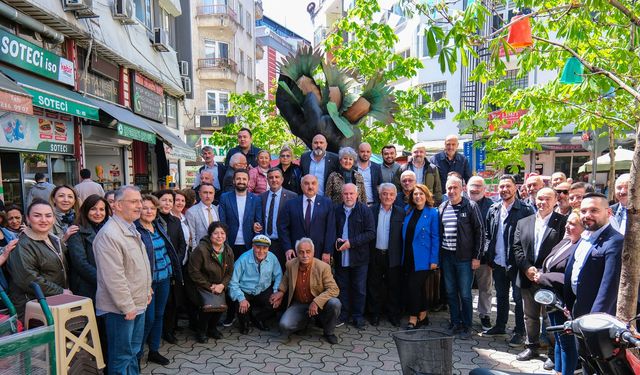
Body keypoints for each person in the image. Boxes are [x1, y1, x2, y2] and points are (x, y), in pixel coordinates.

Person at [93, 185, 152, 375]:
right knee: (121, 356)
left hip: (137, 302)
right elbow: (114, 277)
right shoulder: (109, 234)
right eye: (134, 201)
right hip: (121, 309)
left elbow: (139, 265)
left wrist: (147, 289)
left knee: (133, 352)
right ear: (118, 205)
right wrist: (127, 306)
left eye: (140, 201)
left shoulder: (130, 228)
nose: (139, 206)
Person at [512, 187, 567, 363]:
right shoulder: (524, 222)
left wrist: (543, 273)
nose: (542, 202)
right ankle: (532, 347)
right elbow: (517, 247)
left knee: (550, 318)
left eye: (547, 199)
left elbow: (564, 250)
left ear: (555, 200)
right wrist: (527, 268)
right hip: (527, 277)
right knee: (530, 315)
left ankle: (552, 353)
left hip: (550, 279)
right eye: (540, 198)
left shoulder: (562, 222)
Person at [483, 175, 535, 347]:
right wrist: (488, 253)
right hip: (498, 262)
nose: (504, 190)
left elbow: (530, 238)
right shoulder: (494, 209)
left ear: (515, 188)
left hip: (517, 263)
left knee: (519, 298)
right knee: (501, 295)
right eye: (501, 187)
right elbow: (488, 234)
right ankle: (500, 325)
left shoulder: (525, 210)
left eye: (508, 186)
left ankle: (520, 331)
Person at [135, 195, 182, 366]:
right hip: (148, 282)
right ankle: (137, 354)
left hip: (164, 279)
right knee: (147, 319)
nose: (149, 211)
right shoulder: (136, 231)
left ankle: (153, 351)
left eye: (152, 208)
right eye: (145, 208)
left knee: (159, 315)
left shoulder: (158, 225)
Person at [534, 211, 583, 375]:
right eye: (568, 222)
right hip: (552, 300)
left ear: (584, 228)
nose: (568, 226)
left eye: (573, 224)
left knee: (567, 344)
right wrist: (540, 271)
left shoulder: (581, 247)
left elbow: (568, 277)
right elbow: (549, 263)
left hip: (565, 302)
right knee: (559, 341)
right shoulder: (565, 242)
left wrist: (543, 277)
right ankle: (558, 371)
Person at [271, 238, 341, 345]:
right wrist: (281, 291)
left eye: (308, 252)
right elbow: (286, 279)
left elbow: (334, 289)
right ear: (297, 253)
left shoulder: (323, 267)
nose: (305, 255)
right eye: (301, 252)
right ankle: (305, 322)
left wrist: (317, 302)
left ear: (313, 252)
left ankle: (328, 332)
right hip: (299, 303)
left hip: (319, 305)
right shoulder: (290, 264)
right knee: (284, 326)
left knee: (335, 303)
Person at [565, 193, 623, 318]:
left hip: (596, 317)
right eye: (583, 211)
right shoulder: (586, 236)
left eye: (594, 210)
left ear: (608, 213)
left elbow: (609, 288)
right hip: (578, 310)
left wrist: (594, 320)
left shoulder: (615, 242)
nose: (587, 215)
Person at [8, 198, 69, 317]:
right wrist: (61, 291)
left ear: (54, 218)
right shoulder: (22, 245)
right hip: (34, 307)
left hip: (54, 303)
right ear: (27, 218)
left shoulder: (54, 240)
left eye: (48, 215)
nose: (43, 220)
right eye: (37, 216)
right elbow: (28, 279)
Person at [439, 176, 483, 339]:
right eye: (449, 188)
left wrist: (477, 257)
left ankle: (467, 325)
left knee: (465, 294)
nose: (451, 191)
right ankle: (455, 322)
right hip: (447, 256)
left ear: (462, 189)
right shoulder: (443, 206)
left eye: (455, 188)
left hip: (464, 258)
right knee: (450, 292)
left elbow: (480, 233)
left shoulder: (471, 206)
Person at [334, 183, 375, 329]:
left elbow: (371, 233)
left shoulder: (364, 210)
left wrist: (351, 243)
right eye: (346, 194)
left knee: (359, 288)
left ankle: (358, 316)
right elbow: (332, 230)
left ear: (357, 195)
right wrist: (336, 241)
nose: (348, 196)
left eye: (351, 193)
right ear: (341, 195)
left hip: (359, 256)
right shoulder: (337, 210)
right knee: (343, 286)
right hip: (341, 256)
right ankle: (344, 314)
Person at [188, 221, 234, 343]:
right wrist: (210, 287)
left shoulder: (228, 250)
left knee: (219, 308)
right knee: (207, 309)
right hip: (201, 286)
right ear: (210, 235)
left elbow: (230, 272)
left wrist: (222, 285)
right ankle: (201, 331)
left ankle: (212, 329)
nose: (219, 236)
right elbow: (194, 272)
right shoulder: (201, 250)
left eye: (222, 233)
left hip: (219, 285)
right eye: (216, 233)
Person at [152, 190, 187, 345]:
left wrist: (176, 262)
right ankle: (155, 334)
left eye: (170, 201)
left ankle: (169, 330)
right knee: (160, 304)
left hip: (174, 267)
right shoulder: (152, 221)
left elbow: (182, 244)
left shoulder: (175, 221)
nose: (167, 203)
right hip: (158, 269)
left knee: (173, 301)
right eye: (164, 200)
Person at [228, 235, 282, 334]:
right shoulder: (243, 259)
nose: (261, 251)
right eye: (258, 247)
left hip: (262, 289)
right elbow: (233, 282)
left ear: (268, 248)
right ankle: (244, 322)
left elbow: (279, 276)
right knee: (241, 307)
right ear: (253, 246)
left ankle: (258, 319)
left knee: (276, 304)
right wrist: (241, 298)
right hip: (245, 290)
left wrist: (275, 292)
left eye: (264, 248)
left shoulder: (272, 258)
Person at [402, 184, 439, 330]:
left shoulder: (432, 213)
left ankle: (413, 318)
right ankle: (423, 316)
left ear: (426, 195)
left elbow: (436, 237)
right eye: (415, 194)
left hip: (424, 258)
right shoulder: (408, 211)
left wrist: (434, 259)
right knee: (419, 288)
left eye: (421, 194)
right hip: (408, 256)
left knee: (413, 287)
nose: (418, 196)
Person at [367, 183, 404, 327]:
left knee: (393, 286)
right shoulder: (371, 211)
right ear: (380, 195)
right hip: (375, 253)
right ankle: (374, 314)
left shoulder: (401, 213)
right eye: (385, 194)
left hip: (393, 255)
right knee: (374, 285)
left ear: (395, 197)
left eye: (391, 194)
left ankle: (393, 314)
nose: (387, 197)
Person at [280, 175, 336, 264]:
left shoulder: (327, 203)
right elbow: (283, 228)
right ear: (301, 186)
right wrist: (288, 248)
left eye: (313, 183)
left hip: (320, 253)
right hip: (296, 252)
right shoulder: (290, 204)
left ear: (317, 185)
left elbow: (331, 229)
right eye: (306, 183)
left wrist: (327, 251)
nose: (310, 186)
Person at [67, 195, 111, 300]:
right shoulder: (77, 231)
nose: (98, 213)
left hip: (107, 284)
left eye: (102, 209)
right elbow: (80, 263)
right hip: (87, 286)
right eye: (93, 209)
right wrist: (103, 280)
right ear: (86, 210)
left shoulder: (108, 229)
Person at [466, 176, 494, 331]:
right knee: (464, 288)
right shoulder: (460, 202)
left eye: (479, 186)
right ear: (466, 187)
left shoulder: (492, 206)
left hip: (483, 256)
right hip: (463, 255)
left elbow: (492, 232)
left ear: (485, 189)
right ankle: (465, 315)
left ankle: (484, 315)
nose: (475, 189)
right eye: (472, 185)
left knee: (485, 287)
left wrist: (485, 253)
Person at [218, 169, 263, 260]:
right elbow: (222, 221)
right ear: (234, 181)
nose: (241, 181)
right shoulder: (224, 197)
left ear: (248, 181)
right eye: (238, 179)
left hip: (249, 244)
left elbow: (259, 222)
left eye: (244, 179)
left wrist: (255, 243)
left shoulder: (256, 199)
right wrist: (224, 242)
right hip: (229, 243)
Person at [260, 168, 298, 269]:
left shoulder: (292, 197)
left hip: (283, 243)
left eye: (277, 177)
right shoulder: (261, 197)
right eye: (271, 177)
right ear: (267, 180)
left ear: (282, 179)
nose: (274, 180)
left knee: (283, 272)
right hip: (265, 243)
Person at [185, 183, 219, 249]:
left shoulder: (216, 209)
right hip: (200, 251)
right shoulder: (191, 212)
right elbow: (192, 237)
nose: (208, 196)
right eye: (205, 192)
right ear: (199, 194)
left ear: (214, 195)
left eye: (211, 193)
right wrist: (196, 254)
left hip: (216, 249)